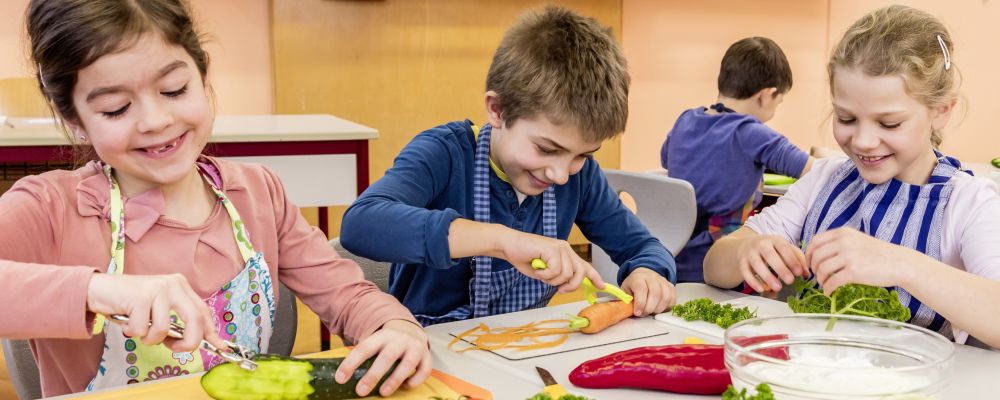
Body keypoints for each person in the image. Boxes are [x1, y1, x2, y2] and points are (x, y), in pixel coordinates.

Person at [0, 0, 429, 396]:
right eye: (115, 108)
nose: (155, 120)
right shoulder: (50, 209)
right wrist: (98, 290)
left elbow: (348, 296)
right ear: (74, 119)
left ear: (203, 76)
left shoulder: (258, 193)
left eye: (174, 89)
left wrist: (392, 326)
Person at [341, 6, 676, 325]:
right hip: (425, 348)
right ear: (498, 110)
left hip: (517, 347)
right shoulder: (444, 153)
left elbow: (643, 247)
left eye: (582, 155)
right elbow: (361, 224)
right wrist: (502, 240)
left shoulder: (581, 175)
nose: (560, 174)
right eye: (546, 149)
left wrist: (649, 273)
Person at [704, 5, 1000, 347]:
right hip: (811, 370)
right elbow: (714, 268)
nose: (862, 140)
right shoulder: (825, 179)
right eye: (846, 118)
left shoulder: (968, 202)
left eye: (889, 123)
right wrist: (746, 251)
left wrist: (903, 264)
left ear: (940, 111)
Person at [661, 36, 814, 283]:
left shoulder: (685, 120)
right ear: (766, 95)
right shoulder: (751, 132)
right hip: (720, 267)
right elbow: (813, 171)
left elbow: (667, 159)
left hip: (672, 254)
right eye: (779, 101)